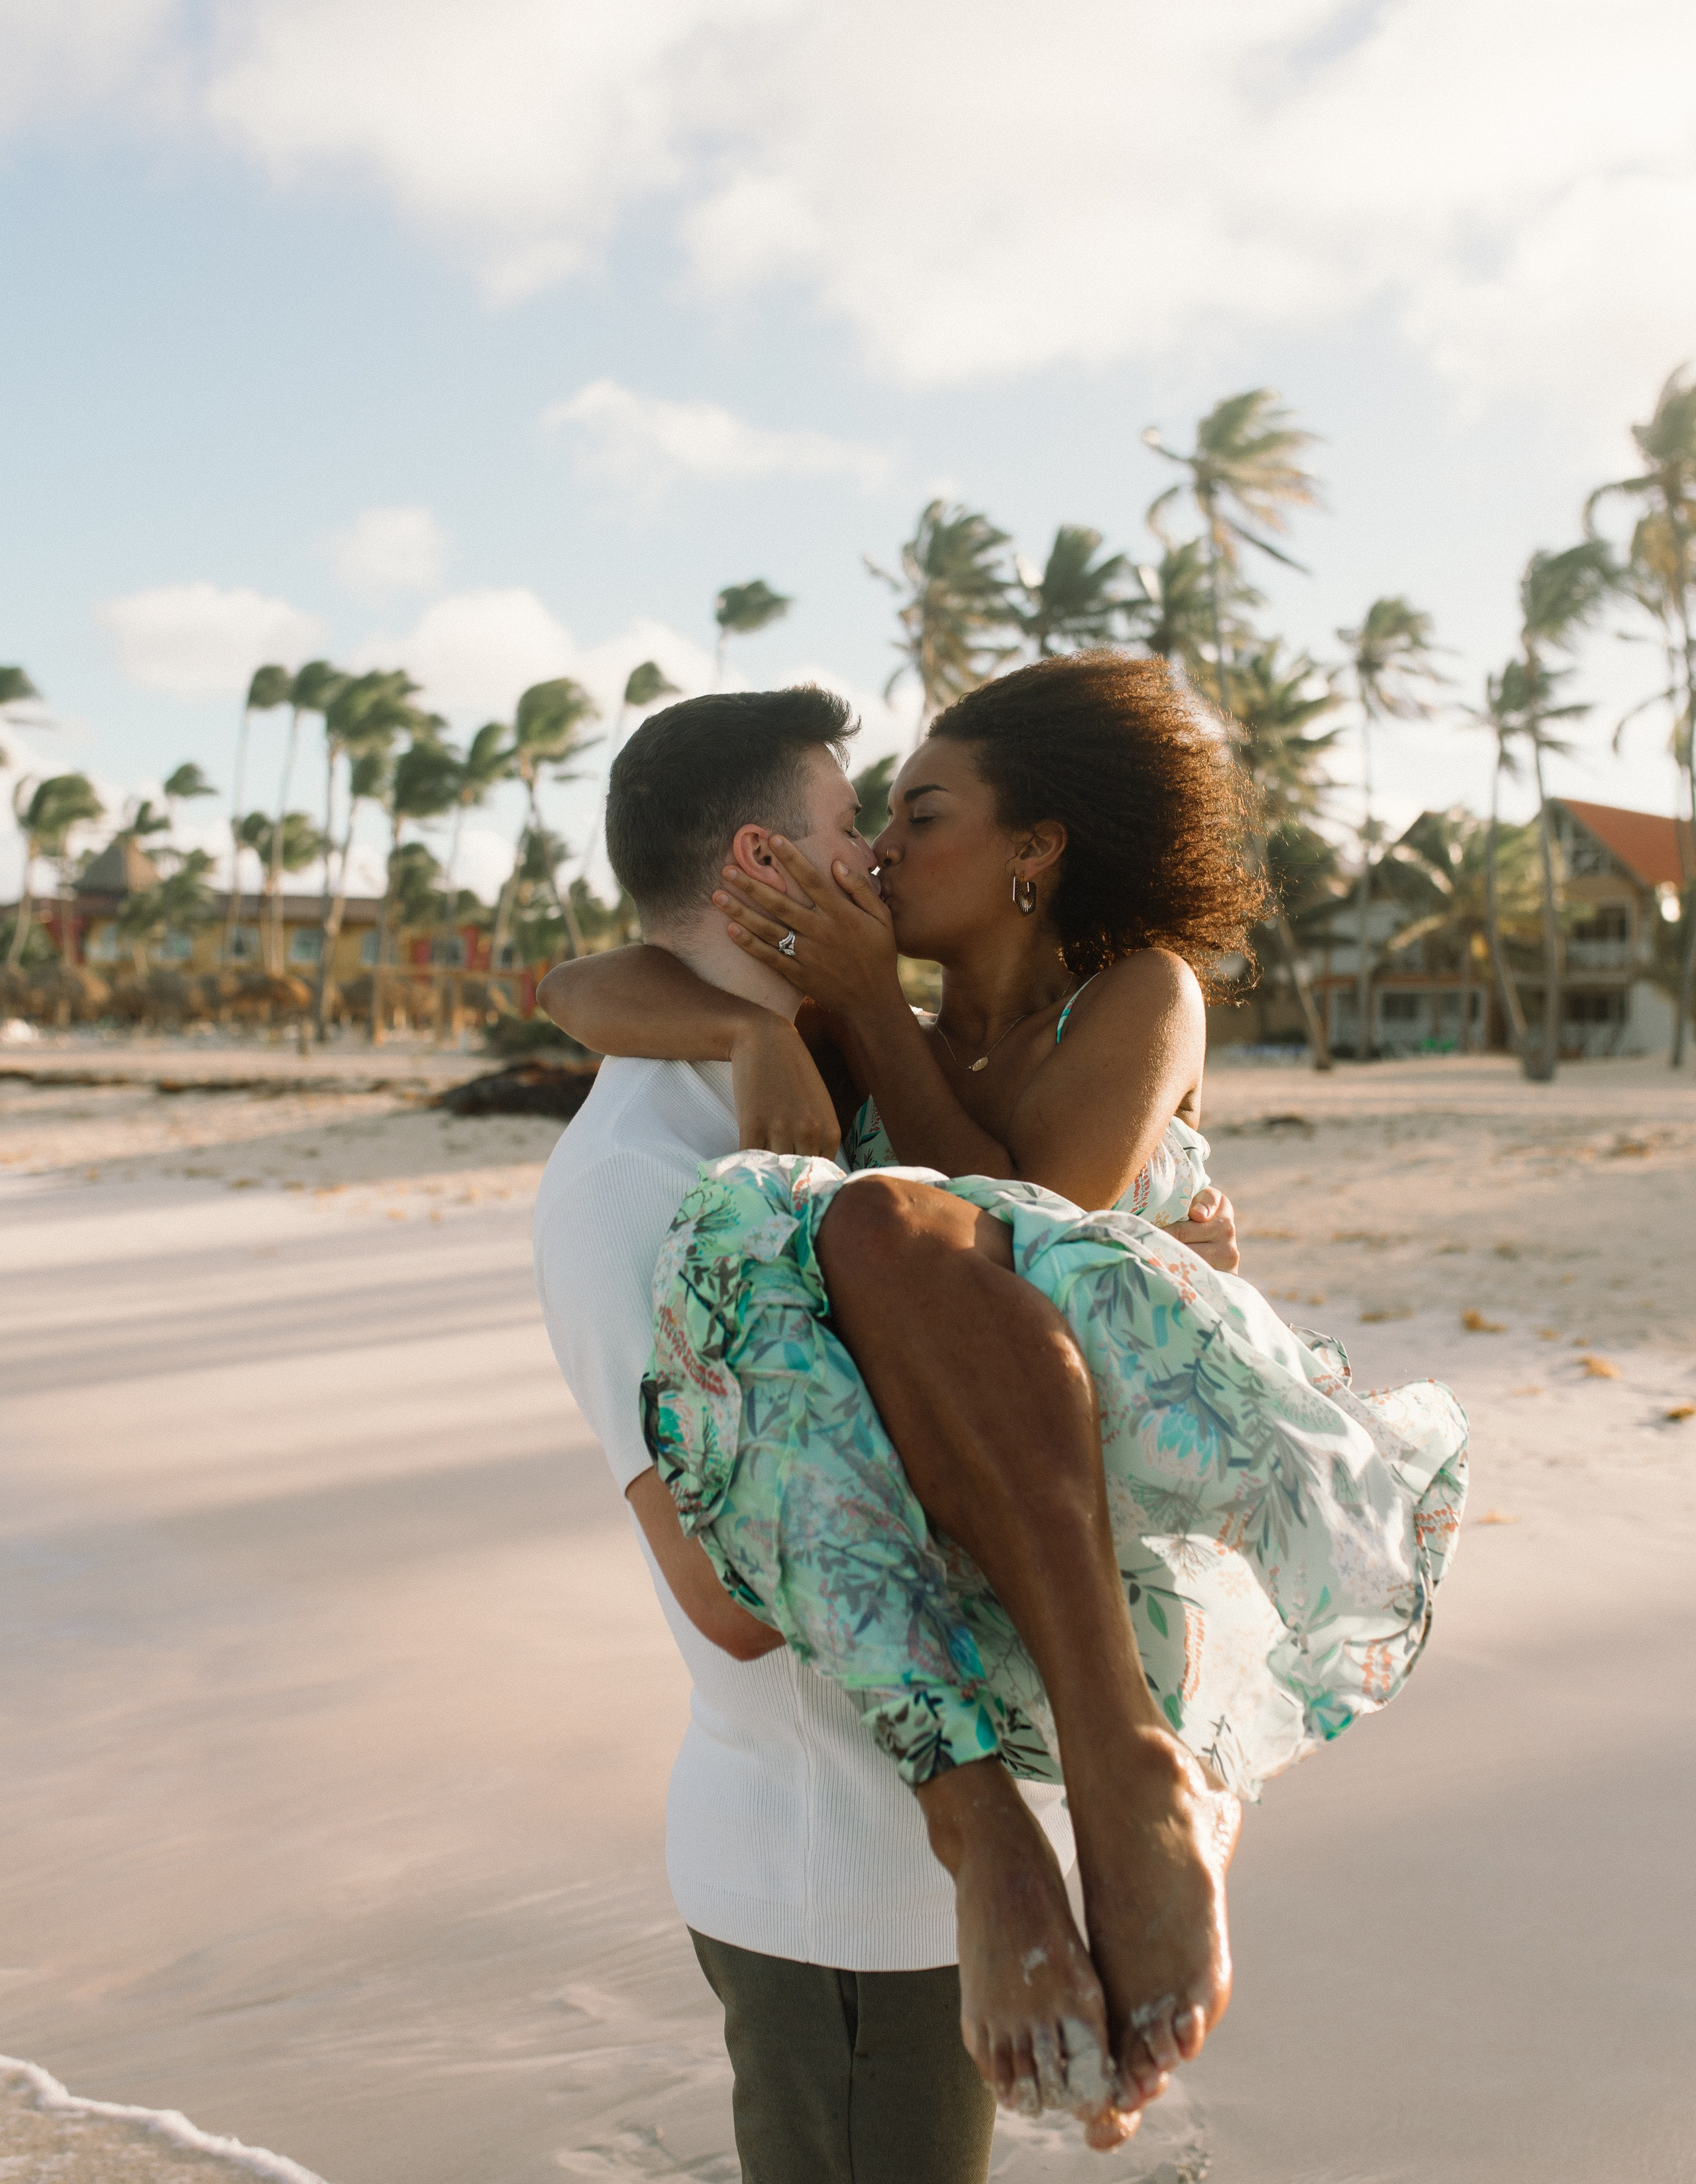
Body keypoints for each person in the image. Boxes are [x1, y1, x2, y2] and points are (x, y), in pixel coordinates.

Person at [539, 658, 1467, 2161]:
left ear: (1032, 848)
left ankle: (1143, 1808)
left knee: (884, 1224)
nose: (885, 855)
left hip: (1122, 1553)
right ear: (758, 865)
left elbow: (1021, 1219)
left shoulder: (1094, 1001)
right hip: (848, 1851)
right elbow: (582, 985)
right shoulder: (772, 1089)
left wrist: (830, 1020)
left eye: (914, 814)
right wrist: (754, 1028)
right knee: (848, 1225)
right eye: (866, 819)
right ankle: (1059, 1851)